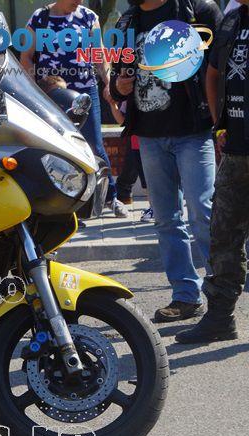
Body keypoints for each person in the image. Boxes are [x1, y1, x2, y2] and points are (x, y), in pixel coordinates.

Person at [109, 0, 222, 323]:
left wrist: (223, 122)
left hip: (193, 132)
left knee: (202, 211)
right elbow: (117, 79)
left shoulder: (198, 11)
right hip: (149, 135)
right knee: (166, 220)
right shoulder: (127, 22)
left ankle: (221, 294)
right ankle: (186, 296)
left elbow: (221, 70)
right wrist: (118, 86)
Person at [177, 0, 249, 343]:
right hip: (236, 150)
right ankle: (220, 318)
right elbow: (214, 72)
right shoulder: (232, 20)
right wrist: (219, 123)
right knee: (223, 236)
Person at [21, 0, 124, 218]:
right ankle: (67, 206)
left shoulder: (88, 17)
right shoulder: (40, 18)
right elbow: (26, 57)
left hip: (86, 91)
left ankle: (111, 197)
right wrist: (32, 90)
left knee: (94, 144)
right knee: (58, 148)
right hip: (52, 94)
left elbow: (99, 55)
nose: (79, 2)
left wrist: (109, 84)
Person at [104, 89, 153, 221]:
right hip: (138, 143)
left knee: (154, 178)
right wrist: (113, 105)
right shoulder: (131, 97)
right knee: (146, 181)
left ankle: (157, 207)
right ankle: (154, 207)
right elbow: (123, 121)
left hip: (155, 141)